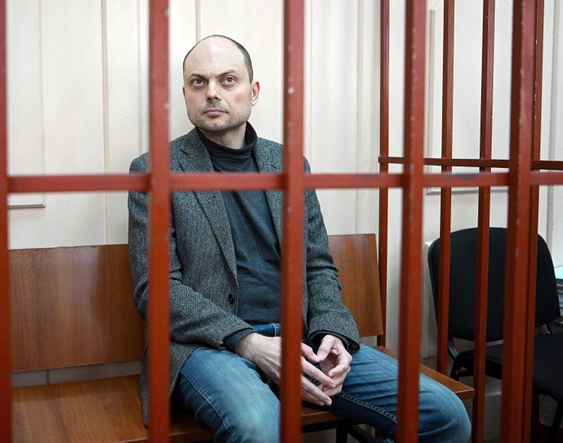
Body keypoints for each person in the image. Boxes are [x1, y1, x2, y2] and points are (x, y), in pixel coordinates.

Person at [128, 34, 471, 443]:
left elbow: (317, 265)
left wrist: (333, 334)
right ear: (185, 93)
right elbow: (156, 288)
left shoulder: (290, 164)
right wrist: (249, 343)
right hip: (209, 347)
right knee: (259, 427)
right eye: (198, 82)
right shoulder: (155, 170)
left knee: (443, 413)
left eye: (228, 80)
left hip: (303, 338)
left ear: (253, 91)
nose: (212, 93)